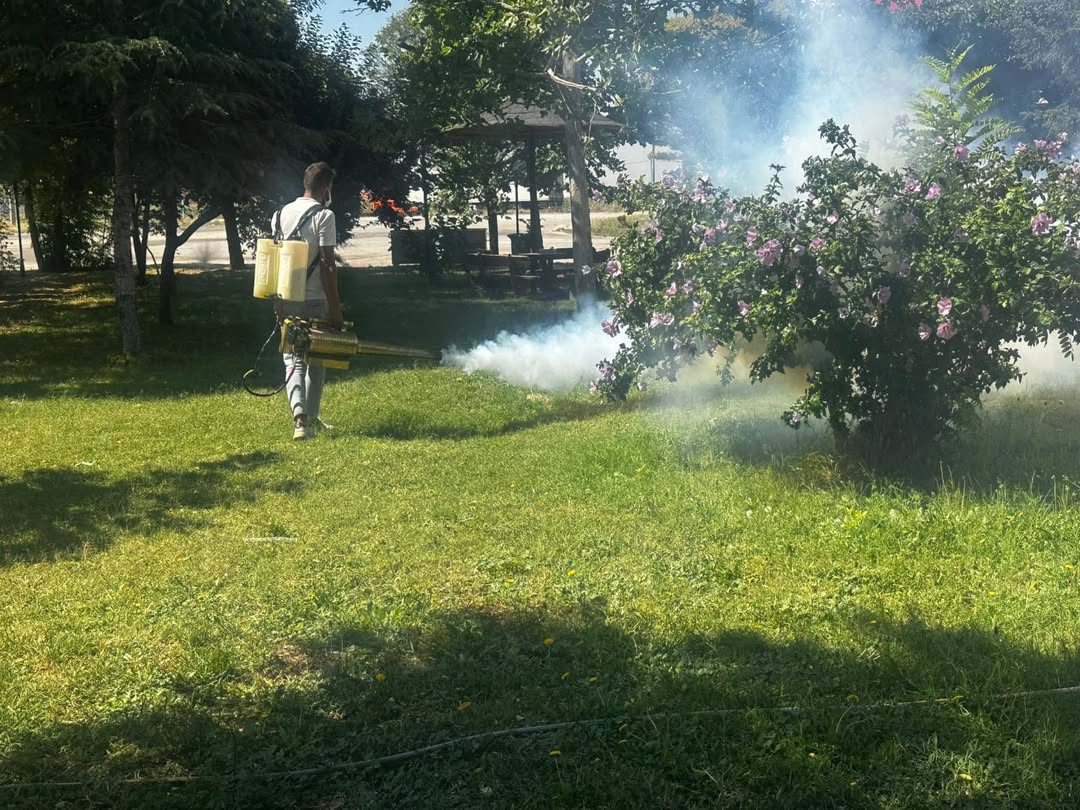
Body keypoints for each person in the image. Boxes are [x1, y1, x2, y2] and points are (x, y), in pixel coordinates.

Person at [274, 161, 343, 440]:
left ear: (305, 183)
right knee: (317, 359)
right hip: (316, 298)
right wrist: (335, 307)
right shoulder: (324, 216)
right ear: (326, 187)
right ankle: (309, 419)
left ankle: (301, 419)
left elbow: (276, 258)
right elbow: (328, 265)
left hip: (287, 295)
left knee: (292, 358)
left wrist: (277, 302)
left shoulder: (279, 214)